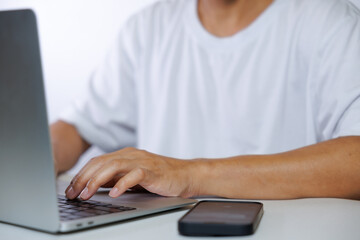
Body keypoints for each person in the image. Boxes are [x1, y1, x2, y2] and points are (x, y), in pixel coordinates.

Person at [51, 0, 360, 201]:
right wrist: (31, 159)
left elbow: (354, 161)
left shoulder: (330, 21)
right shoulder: (148, 27)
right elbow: (78, 127)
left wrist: (188, 174)